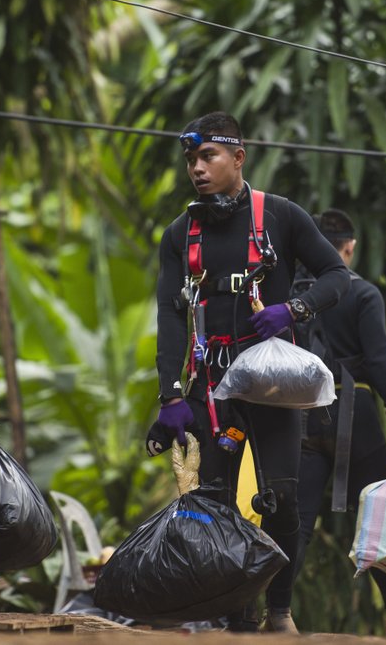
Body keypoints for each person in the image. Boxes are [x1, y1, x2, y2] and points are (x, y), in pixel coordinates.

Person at [152, 112, 349, 633]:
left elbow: (338, 277)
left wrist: (296, 310)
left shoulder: (280, 217)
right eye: (191, 160)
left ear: (238, 158)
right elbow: (169, 315)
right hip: (213, 390)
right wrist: (169, 394)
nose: (197, 168)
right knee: (217, 504)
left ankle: (279, 613)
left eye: (208, 156)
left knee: (281, 497)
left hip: (271, 384)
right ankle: (235, 620)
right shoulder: (181, 233)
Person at [289, 209, 386, 638]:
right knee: (378, 521)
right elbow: (380, 361)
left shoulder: (292, 297)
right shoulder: (363, 294)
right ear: (350, 246)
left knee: (297, 523)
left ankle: (272, 614)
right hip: (355, 411)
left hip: (303, 415)